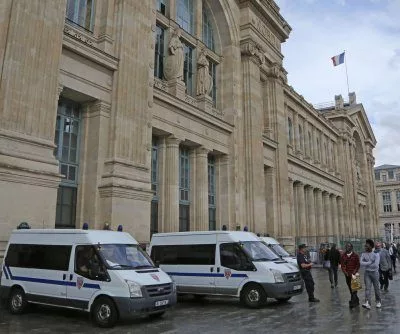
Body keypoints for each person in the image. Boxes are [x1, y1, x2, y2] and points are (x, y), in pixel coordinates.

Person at [360, 239, 381, 309]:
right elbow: (361, 263)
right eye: (365, 246)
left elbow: (376, 265)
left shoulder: (376, 253)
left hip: (375, 273)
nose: (365, 247)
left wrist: (366, 263)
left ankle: (378, 302)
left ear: (371, 246)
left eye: (367, 246)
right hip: (367, 273)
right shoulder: (363, 253)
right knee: (367, 288)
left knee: (376, 288)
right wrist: (369, 262)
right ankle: (367, 302)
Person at [340, 243, 360, 308]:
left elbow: (358, 265)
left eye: (348, 246)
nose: (347, 247)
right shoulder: (343, 256)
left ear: (351, 248)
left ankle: (352, 302)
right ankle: (356, 300)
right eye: (346, 246)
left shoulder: (355, 255)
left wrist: (354, 271)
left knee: (354, 289)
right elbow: (342, 266)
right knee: (350, 289)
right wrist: (345, 272)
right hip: (347, 275)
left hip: (354, 274)